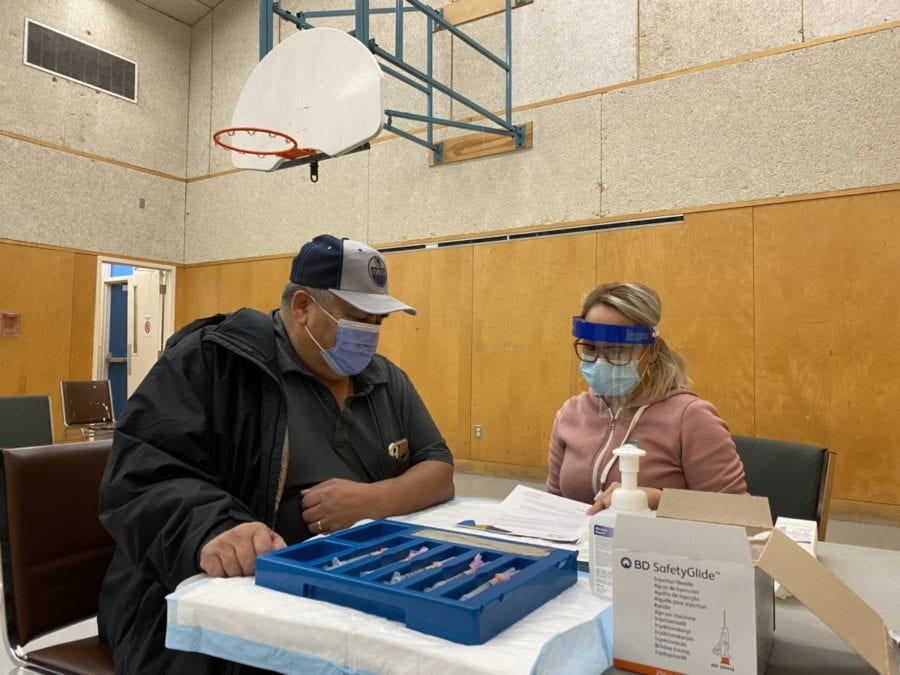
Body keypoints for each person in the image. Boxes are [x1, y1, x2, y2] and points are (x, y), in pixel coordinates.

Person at [98, 234, 455, 674]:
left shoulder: (384, 380)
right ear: (302, 306)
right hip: (222, 603)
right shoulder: (216, 363)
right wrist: (217, 528)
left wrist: (372, 502)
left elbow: (438, 468)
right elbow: (141, 474)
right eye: (357, 319)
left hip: (350, 592)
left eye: (378, 322)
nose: (369, 336)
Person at [546, 281, 746, 514]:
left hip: (662, 547)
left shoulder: (690, 417)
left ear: (651, 351)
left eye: (617, 351)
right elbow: (553, 504)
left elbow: (739, 514)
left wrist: (658, 500)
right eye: (590, 348)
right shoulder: (571, 413)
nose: (600, 362)